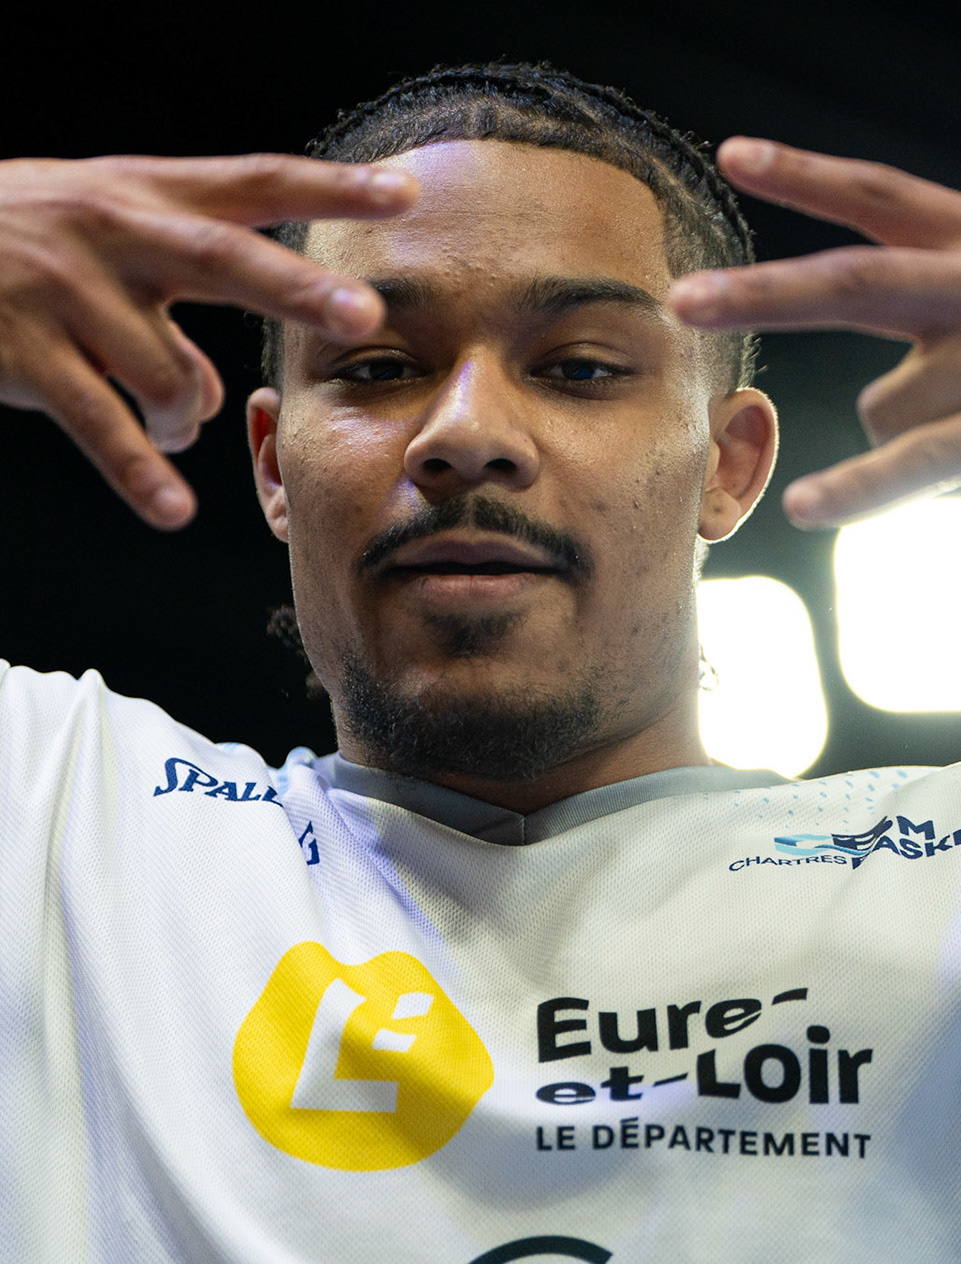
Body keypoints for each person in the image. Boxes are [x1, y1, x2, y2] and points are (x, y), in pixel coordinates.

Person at [2, 62, 960, 1262]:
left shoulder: (934, 882)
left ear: (726, 463)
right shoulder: (56, 830)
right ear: (272, 463)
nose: (465, 433)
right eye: (377, 366)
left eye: (578, 367)